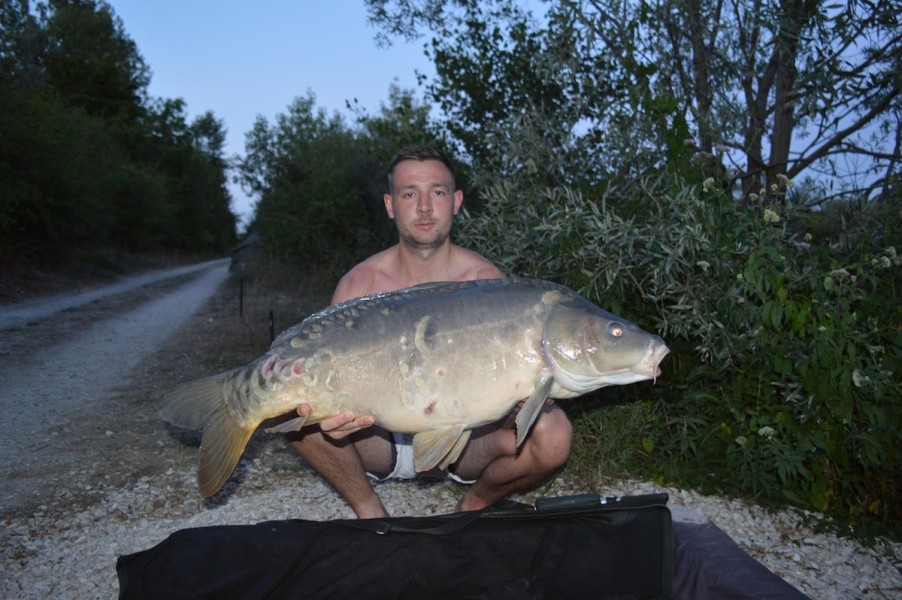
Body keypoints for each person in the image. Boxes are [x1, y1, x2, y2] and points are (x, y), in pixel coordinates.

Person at [286, 145, 573, 519]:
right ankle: (369, 510)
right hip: (378, 436)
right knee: (289, 404)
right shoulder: (360, 285)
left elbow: (506, 407)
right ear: (391, 205)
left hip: (466, 441)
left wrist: (525, 399)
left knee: (554, 434)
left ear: (455, 201)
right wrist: (332, 419)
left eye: (436, 192)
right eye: (409, 194)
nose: (424, 206)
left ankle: (471, 507)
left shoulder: (487, 284)